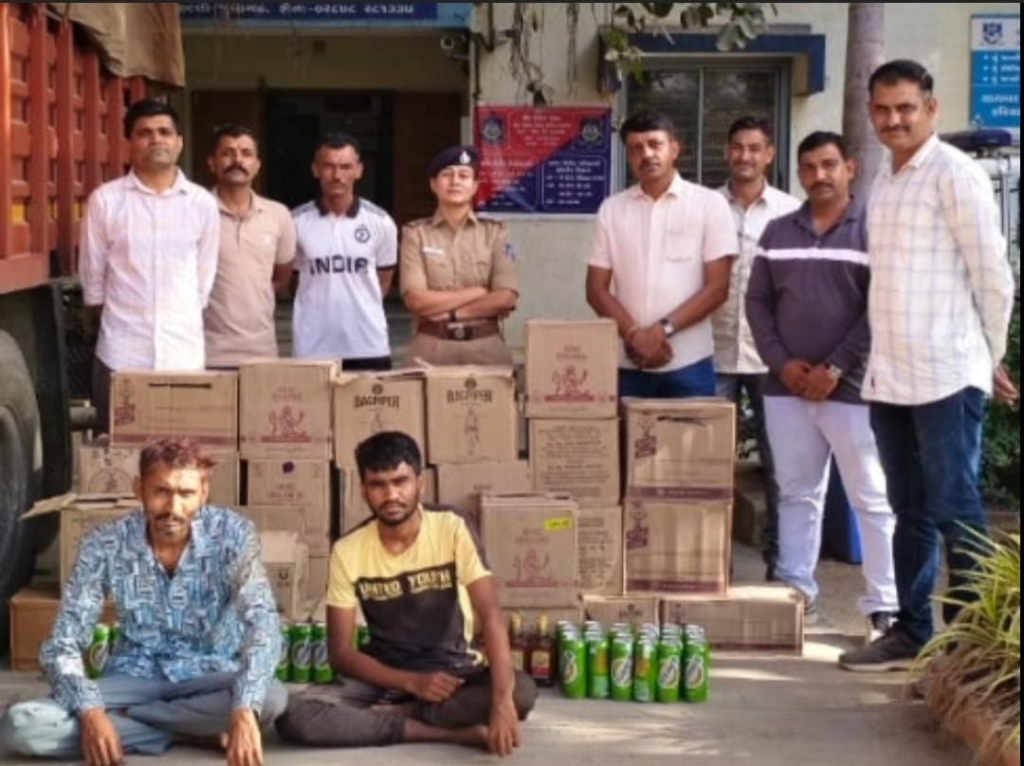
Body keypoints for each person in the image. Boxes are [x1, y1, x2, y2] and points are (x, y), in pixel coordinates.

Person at [839, 61, 1018, 672]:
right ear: (871, 112)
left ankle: (970, 645)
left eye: (906, 108)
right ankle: (912, 632)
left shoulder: (955, 174)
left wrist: (990, 354)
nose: (894, 120)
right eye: (883, 109)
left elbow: (993, 275)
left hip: (946, 371)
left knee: (954, 506)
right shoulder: (885, 179)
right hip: (891, 374)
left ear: (930, 109)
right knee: (908, 509)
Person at [1, 439, 286, 766]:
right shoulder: (105, 543)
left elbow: (264, 625)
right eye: (161, 491)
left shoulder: (233, 536)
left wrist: (243, 709)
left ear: (204, 493)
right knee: (21, 726)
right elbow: (63, 642)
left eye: (186, 493)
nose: (173, 508)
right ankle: (188, 731)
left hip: (208, 675)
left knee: (271, 697)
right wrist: (92, 713)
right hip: (132, 676)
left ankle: (129, 722)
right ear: (139, 489)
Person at [277, 432, 536, 755]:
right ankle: (449, 733)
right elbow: (340, 652)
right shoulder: (348, 549)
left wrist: (501, 701)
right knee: (295, 716)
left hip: (453, 672)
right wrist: (411, 682)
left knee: (520, 691)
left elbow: (491, 614)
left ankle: (401, 715)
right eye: (378, 485)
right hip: (383, 677)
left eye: (401, 482)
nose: (391, 495)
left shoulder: (452, 526)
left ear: (420, 483)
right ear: (364, 491)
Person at [746, 131, 899, 643]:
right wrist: (782, 363)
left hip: (852, 387)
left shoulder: (873, 228)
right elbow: (757, 303)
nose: (819, 175)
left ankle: (884, 608)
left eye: (829, 164)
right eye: (809, 167)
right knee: (796, 493)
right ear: (799, 173)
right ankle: (796, 594)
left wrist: (833, 367)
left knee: (870, 497)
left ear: (850, 168)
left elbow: (880, 306)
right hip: (785, 388)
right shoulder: (777, 231)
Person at [78, 100, 220, 435]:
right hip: (121, 356)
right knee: (118, 452)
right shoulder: (106, 201)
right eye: (144, 133)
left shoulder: (201, 203)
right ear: (129, 144)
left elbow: (203, 280)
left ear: (179, 142)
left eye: (164, 132)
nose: (156, 139)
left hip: (183, 356)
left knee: (182, 454)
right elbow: (94, 281)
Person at [586, 110, 738, 399]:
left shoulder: (709, 204)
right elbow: (596, 289)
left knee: (693, 431)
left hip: (689, 363)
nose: (646, 154)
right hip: (628, 361)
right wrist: (634, 335)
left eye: (655, 144)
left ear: (675, 149)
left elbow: (718, 288)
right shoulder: (612, 209)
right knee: (627, 431)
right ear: (628, 157)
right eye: (636, 148)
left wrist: (659, 332)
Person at [713, 116, 801, 580]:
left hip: (773, 359)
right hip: (712, 352)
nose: (745, 156)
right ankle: (714, 566)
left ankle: (780, 568)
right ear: (726, 152)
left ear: (769, 154)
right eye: (737, 147)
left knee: (780, 465)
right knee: (709, 466)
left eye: (754, 148)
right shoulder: (705, 207)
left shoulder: (790, 211)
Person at [401, 146, 520, 366]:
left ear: (474, 186)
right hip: (430, 347)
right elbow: (416, 300)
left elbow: (505, 297)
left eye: (464, 175)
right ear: (433, 184)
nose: (455, 181)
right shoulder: (415, 234)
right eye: (446, 174)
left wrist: (452, 314)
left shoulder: (495, 233)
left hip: (486, 346)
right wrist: (479, 292)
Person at [292, 133, 398, 370]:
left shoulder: (381, 222)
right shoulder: (295, 222)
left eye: (345, 167)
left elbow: (383, 282)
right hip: (312, 346)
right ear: (315, 169)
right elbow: (292, 280)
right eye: (328, 166)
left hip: (368, 345)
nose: (337, 175)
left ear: (359, 170)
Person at [203, 124, 296, 368]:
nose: (237, 160)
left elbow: (281, 279)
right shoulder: (195, 212)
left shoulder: (278, 215)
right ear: (212, 163)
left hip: (261, 352)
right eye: (227, 153)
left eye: (246, 153)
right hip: (206, 352)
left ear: (257, 165)